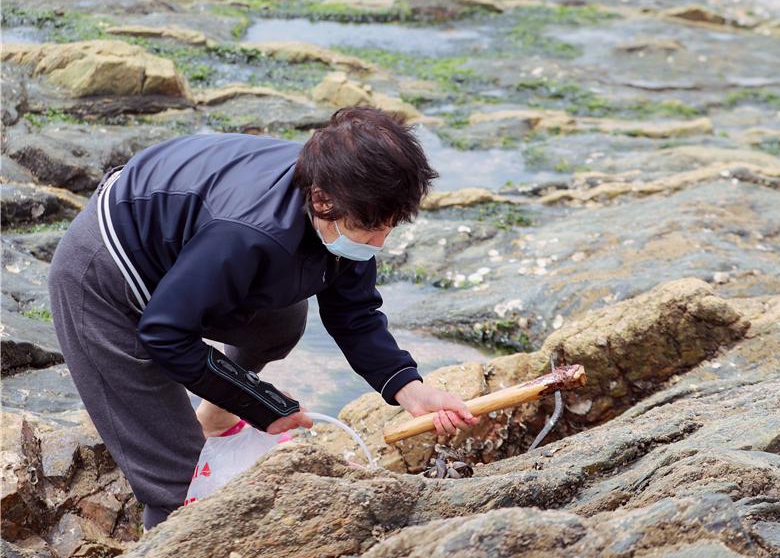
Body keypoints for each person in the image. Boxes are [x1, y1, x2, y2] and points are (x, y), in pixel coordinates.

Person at [48, 106, 476, 531]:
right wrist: (260, 404)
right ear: (321, 198)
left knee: (281, 322)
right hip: (105, 279)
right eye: (370, 226)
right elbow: (164, 334)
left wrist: (410, 389)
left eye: (391, 224)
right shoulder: (249, 233)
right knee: (183, 482)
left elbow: (355, 314)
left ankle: (214, 416)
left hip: (183, 255)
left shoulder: (353, 199)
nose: (380, 239)